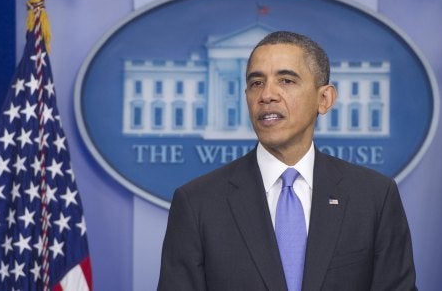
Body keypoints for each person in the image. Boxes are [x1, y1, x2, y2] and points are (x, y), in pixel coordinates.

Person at [157, 31, 416, 290]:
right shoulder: (197, 204)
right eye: (256, 83)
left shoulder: (374, 197)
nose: (267, 95)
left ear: (324, 99)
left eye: (286, 80)